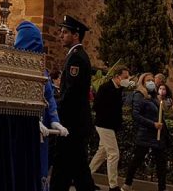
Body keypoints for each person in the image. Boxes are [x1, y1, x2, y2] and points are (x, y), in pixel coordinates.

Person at [13, 21, 68, 190]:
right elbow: (14, 98)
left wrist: (54, 120)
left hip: (42, 127)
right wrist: (29, 120)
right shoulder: (14, 68)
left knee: (40, 167)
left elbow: (49, 97)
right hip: (19, 129)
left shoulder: (41, 71)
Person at [51, 15, 95, 191]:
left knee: (68, 165)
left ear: (76, 35)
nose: (61, 35)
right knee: (75, 168)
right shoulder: (76, 55)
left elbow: (71, 92)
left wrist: (55, 110)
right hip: (75, 123)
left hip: (72, 123)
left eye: (65, 32)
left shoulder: (76, 58)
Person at [122, 72, 169, 191]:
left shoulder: (154, 97)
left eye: (152, 80)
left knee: (161, 163)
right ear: (142, 82)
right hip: (145, 134)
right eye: (148, 80)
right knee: (137, 160)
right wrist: (153, 124)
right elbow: (136, 115)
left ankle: (162, 188)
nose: (151, 82)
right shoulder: (139, 95)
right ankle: (127, 184)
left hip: (157, 136)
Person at [89, 65, 131, 191]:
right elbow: (97, 106)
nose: (127, 80)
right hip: (104, 124)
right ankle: (113, 186)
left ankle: (84, 177)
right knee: (114, 154)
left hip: (111, 126)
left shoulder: (119, 89)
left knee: (101, 153)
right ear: (117, 77)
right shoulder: (105, 88)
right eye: (125, 77)